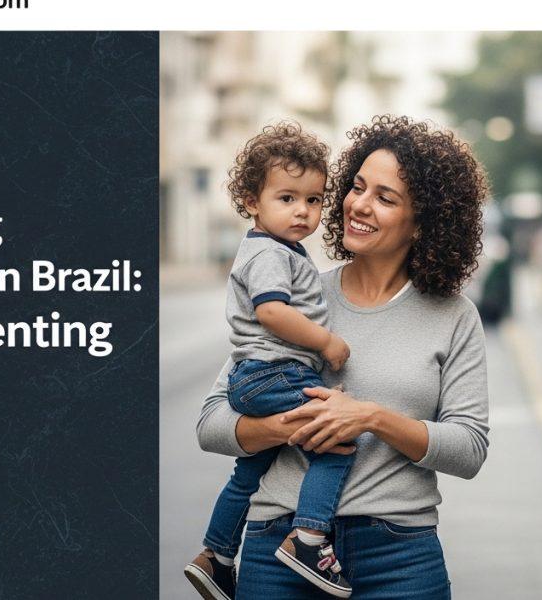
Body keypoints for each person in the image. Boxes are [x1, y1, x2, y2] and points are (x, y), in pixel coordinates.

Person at [196, 115, 491, 599]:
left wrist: (370, 418)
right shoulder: (295, 296)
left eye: (385, 198)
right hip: (277, 551)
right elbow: (211, 425)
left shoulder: (454, 316)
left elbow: (469, 448)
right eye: (357, 187)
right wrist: (294, 425)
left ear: (423, 223)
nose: (359, 204)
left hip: (400, 557)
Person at [185, 122, 355, 600]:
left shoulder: (278, 249)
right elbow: (272, 312)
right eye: (287, 198)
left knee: (248, 472)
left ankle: (216, 556)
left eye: (314, 199)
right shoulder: (269, 254)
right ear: (252, 201)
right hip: (275, 373)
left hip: (257, 375)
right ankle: (309, 539)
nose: (302, 210)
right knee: (338, 442)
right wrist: (326, 342)